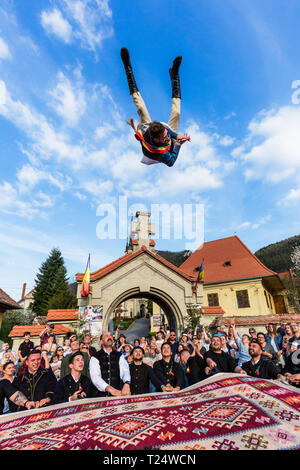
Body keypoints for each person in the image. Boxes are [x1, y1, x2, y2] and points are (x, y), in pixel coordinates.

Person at [120, 47, 190, 167]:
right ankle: (128, 67)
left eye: (167, 134)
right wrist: (178, 144)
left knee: (175, 113)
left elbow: (166, 131)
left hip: (152, 133)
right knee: (141, 109)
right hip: (154, 151)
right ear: (157, 139)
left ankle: (175, 76)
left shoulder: (160, 131)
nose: (168, 137)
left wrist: (175, 135)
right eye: (165, 136)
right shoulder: (157, 154)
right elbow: (171, 161)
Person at [89, 332, 131, 397]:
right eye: (106, 336)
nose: (109, 337)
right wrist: (110, 389)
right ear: (101, 342)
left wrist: (126, 383)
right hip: (99, 396)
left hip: (117, 394)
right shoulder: (95, 357)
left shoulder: (119, 355)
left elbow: (125, 370)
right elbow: (95, 377)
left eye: (111, 336)